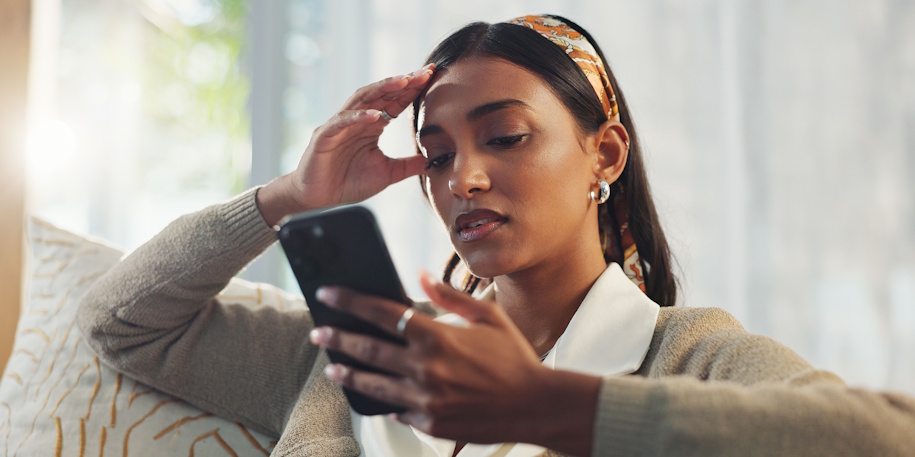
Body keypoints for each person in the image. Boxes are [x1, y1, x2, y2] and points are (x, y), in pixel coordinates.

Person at [77, 14, 915, 457]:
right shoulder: (362, 354)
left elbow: (889, 440)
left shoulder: (684, 356)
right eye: (436, 155)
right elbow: (122, 324)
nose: (461, 179)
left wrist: (547, 406)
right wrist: (288, 197)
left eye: (505, 137)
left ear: (605, 154)